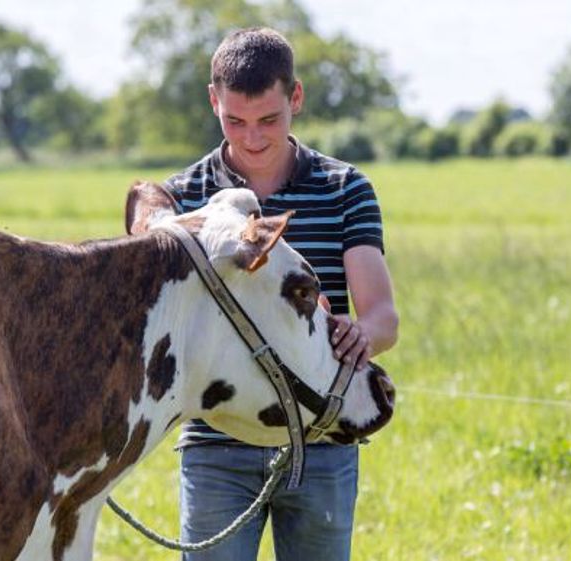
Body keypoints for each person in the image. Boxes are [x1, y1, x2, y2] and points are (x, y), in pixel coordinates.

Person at [163, 27, 399, 560]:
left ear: (296, 97)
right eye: (234, 121)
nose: (252, 138)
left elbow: (383, 317)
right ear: (212, 100)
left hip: (320, 442)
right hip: (215, 449)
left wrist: (361, 334)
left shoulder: (346, 189)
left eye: (269, 119)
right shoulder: (183, 198)